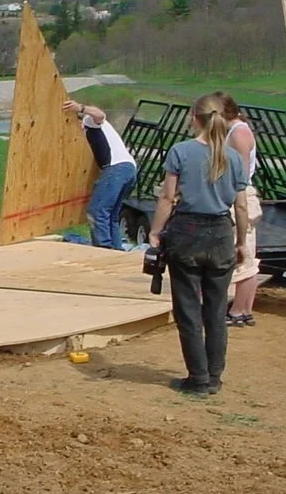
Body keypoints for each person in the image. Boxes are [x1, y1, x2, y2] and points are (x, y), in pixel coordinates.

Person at [148, 94, 249, 397]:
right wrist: (241, 242)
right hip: (220, 234)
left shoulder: (180, 152)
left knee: (189, 310)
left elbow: (167, 198)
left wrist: (155, 232)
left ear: (194, 118)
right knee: (216, 311)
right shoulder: (232, 158)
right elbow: (241, 207)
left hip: (187, 232)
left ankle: (198, 378)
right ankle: (215, 376)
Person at [62, 99, 138, 249]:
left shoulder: (89, 121)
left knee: (97, 210)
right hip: (129, 169)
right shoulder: (96, 132)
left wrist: (80, 108)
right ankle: (116, 251)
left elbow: (100, 114)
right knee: (111, 216)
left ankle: (103, 249)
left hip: (116, 169)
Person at [218, 92, 262, 327]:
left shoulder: (240, 133)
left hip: (241, 198)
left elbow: (241, 174)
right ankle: (242, 309)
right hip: (240, 196)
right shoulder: (235, 131)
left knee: (244, 255)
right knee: (245, 255)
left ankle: (239, 310)